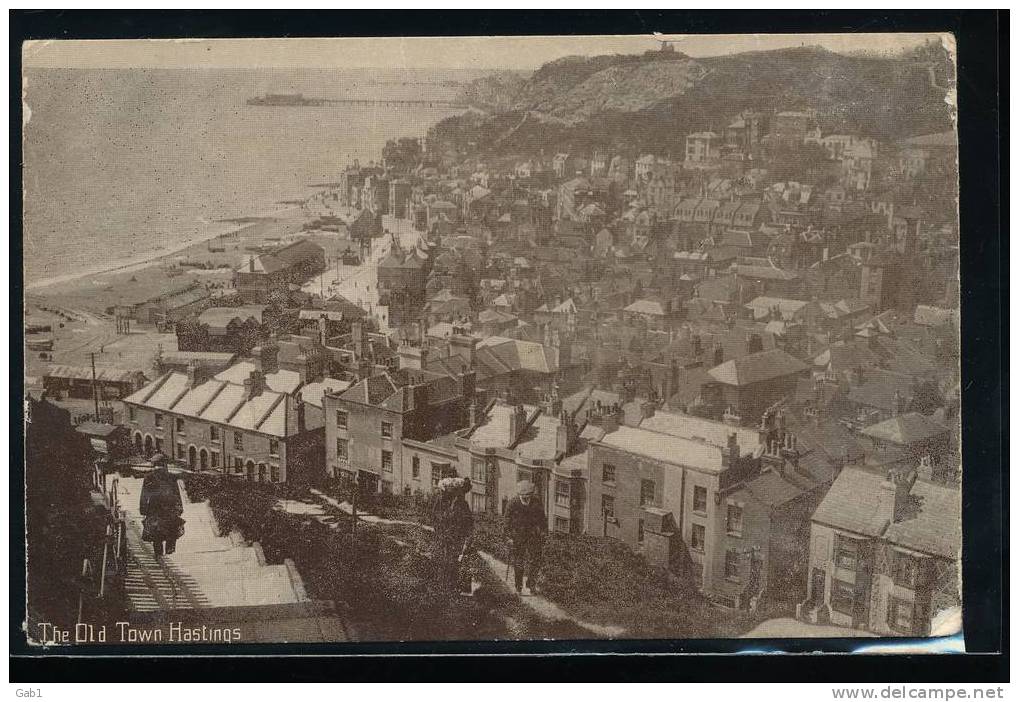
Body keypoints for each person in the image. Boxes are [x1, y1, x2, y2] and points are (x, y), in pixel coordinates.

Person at [504, 480, 547, 595]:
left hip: (533, 536)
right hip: (518, 536)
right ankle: (518, 586)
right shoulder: (512, 504)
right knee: (519, 562)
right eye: (524, 497)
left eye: (529, 496)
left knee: (536, 560)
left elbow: (543, 519)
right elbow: (507, 522)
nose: (527, 499)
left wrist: (543, 532)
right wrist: (509, 537)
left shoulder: (537, 503)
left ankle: (531, 584)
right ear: (519, 495)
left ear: (532, 495)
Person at [139, 453, 185, 558]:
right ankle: (170, 551)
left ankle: (159, 554)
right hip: (170, 508)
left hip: (154, 508)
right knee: (171, 529)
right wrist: (179, 507)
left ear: (154, 464)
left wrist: (143, 509)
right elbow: (176, 493)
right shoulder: (171, 477)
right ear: (164, 464)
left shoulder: (149, 477)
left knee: (156, 532)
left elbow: (144, 495)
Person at [433, 477, 474, 592]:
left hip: (457, 539)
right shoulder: (440, 502)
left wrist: (468, 540)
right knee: (442, 562)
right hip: (443, 538)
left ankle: (453, 589)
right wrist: (440, 532)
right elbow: (435, 519)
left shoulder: (462, 504)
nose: (455, 495)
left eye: (457, 492)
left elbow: (469, 523)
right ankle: (442, 588)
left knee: (455, 563)